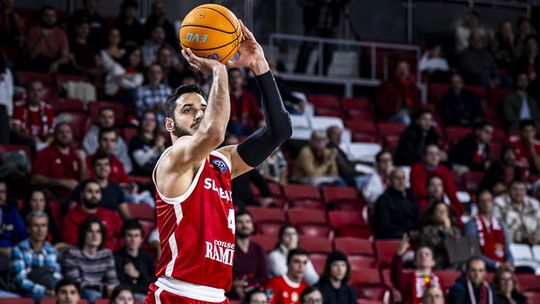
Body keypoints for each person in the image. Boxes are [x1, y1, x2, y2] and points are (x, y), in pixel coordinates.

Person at [146, 22, 291, 303]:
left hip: (216, 296)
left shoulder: (222, 161)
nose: (199, 114)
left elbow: (280, 131)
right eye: (187, 110)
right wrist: (218, 68)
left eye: (204, 108)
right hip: (178, 293)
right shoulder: (173, 159)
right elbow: (214, 133)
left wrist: (259, 64)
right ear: (170, 125)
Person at [62, 217, 119, 304]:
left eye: (98, 232)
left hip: (101, 291)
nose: (94, 235)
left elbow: (113, 282)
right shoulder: (72, 253)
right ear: (83, 234)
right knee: (92, 294)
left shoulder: (106, 254)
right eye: (90, 231)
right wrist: (103, 288)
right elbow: (75, 283)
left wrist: (111, 288)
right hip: (80, 292)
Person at [11, 211, 62, 301]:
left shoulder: (53, 251)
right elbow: (20, 281)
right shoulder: (19, 249)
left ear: (47, 229)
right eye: (36, 225)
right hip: (25, 292)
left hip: (50, 290)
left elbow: (57, 275)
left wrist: (55, 289)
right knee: (44, 299)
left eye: (43, 225)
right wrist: (44, 290)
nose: (40, 230)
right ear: (28, 229)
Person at [31, 123, 88, 200]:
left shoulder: (76, 154)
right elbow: (35, 179)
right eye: (61, 132)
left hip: (77, 199)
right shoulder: (45, 153)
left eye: (68, 132)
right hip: (54, 199)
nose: (65, 135)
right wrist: (61, 182)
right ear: (54, 136)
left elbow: (85, 181)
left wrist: (83, 162)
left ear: (72, 136)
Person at [63, 179, 124, 250]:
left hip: (112, 256)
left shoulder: (110, 214)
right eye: (90, 191)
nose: (94, 195)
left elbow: (124, 234)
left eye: (97, 192)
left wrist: (118, 250)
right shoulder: (71, 217)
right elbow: (72, 243)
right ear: (82, 194)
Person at [463, 190, 513, 271]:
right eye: (483, 201)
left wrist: (510, 263)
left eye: (489, 200)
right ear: (477, 204)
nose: (486, 204)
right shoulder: (471, 225)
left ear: (492, 203)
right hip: (482, 268)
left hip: (502, 266)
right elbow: (474, 252)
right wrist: (496, 265)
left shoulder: (501, 225)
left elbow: (507, 250)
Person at [410, 144, 464, 218]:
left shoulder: (444, 170)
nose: (434, 157)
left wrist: (460, 209)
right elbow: (419, 192)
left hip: (440, 202)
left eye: (437, 154)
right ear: (424, 156)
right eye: (430, 154)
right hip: (422, 203)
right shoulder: (417, 168)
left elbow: (451, 192)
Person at [72, 154, 130, 218]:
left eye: (106, 164)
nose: (103, 168)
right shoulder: (82, 187)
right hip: (89, 225)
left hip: (112, 225)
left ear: (110, 168)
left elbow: (126, 215)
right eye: (99, 165)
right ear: (93, 168)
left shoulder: (117, 188)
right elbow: (72, 212)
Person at [392, 234, 441, 304]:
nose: (423, 256)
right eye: (420, 254)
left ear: (433, 262)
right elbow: (395, 276)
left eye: (427, 254)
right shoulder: (407, 279)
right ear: (415, 262)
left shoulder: (439, 280)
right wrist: (399, 254)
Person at [83, 107, 132, 176]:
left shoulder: (119, 139)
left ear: (114, 120)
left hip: (116, 174)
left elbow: (126, 163)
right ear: (99, 118)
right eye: (104, 117)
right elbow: (92, 160)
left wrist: (118, 172)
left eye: (110, 117)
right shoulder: (90, 136)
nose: (107, 120)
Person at [115, 220, 155, 303]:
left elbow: (154, 283)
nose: (133, 239)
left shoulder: (148, 258)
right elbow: (120, 285)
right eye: (129, 235)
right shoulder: (116, 257)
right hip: (126, 298)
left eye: (136, 236)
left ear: (141, 239)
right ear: (124, 238)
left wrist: (138, 275)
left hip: (146, 295)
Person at [373, 168, 419, 239]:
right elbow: (385, 226)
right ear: (389, 181)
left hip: (414, 235)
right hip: (393, 237)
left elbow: (418, 218)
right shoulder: (383, 200)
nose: (401, 182)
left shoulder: (411, 196)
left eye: (403, 178)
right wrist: (407, 234)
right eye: (397, 178)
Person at [231, 210, 268, 299]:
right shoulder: (229, 247)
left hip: (253, 289)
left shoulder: (258, 249)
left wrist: (248, 285)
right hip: (231, 290)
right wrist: (234, 285)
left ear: (252, 226)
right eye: (240, 222)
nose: (245, 225)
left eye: (248, 222)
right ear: (234, 225)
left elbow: (263, 276)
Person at [11, 80, 55, 149]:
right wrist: (32, 137)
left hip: (43, 142)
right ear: (27, 92)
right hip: (27, 141)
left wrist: (46, 144)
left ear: (42, 92)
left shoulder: (48, 108)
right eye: (32, 90)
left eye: (39, 90)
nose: (36, 94)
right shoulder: (19, 106)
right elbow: (16, 130)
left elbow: (51, 132)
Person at [26, 6, 71, 73]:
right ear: (42, 17)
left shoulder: (61, 33)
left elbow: (65, 57)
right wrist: (42, 38)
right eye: (47, 16)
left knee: (69, 66)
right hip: (38, 60)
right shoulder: (34, 31)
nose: (50, 18)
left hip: (54, 60)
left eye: (53, 16)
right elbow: (33, 55)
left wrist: (56, 63)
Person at [494, 180, 540, 245]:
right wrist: (521, 238)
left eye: (521, 190)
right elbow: (498, 230)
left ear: (525, 191)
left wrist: (537, 237)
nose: (518, 193)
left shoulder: (534, 203)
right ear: (509, 190)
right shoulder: (499, 203)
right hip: (511, 245)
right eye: (515, 189)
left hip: (535, 244)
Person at [420, 201, 462, 269]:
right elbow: (444, 246)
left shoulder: (455, 231)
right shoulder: (427, 230)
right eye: (439, 210)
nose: (442, 213)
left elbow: (457, 249)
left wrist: (448, 229)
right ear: (432, 215)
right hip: (437, 264)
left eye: (445, 210)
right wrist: (446, 230)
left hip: (454, 265)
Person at [129, 110, 166, 176]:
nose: (149, 122)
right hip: (143, 177)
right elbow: (141, 162)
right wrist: (155, 147)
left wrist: (161, 147)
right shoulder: (135, 141)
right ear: (141, 122)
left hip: (161, 174)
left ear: (156, 123)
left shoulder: (159, 139)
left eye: (152, 120)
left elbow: (167, 160)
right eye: (146, 119)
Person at [228, 67, 263, 135]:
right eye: (231, 77)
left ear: (242, 80)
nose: (235, 79)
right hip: (231, 130)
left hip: (248, 128)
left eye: (237, 77)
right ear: (228, 80)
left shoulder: (249, 96)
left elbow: (258, 115)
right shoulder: (226, 96)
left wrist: (261, 122)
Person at [0, 180, 28, 260]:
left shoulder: (11, 211)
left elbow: (23, 236)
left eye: (3, 192)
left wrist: (15, 250)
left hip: (10, 254)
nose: (0, 196)